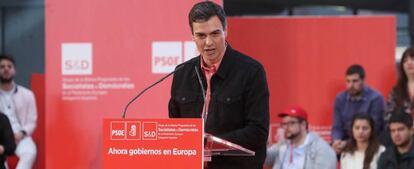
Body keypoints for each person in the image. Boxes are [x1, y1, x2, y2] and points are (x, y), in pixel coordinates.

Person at [168, 1, 269, 169]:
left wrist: (210, 142)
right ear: (192, 36)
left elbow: (258, 132)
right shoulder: (182, 73)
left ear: (226, 31)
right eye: (201, 35)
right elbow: (175, 127)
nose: (208, 43)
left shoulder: (251, 71)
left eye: (215, 34)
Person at [331, 64, 385, 154]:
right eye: (348, 81)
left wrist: (348, 143)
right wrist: (337, 141)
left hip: (369, 143)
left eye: (355, 81)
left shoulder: (375, 98)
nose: (350, 85)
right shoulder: (340, 98)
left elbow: (374, 129)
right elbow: (337, 127)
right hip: (345, 143)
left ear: (363, 81)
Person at [264, 106, 336, 169]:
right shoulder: (283, 145)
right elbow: (265, 159)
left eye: (291, 123)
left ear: (303, 125)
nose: (286, 127)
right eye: (284, 124)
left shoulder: (322, 149)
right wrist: (262, 142)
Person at [0, 55, 37, 169]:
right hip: (1, 137)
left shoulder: (27, 94)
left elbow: (32, 120)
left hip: (21, 135)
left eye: (9, 66)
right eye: (2, 67)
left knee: (30, 152)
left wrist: (21, 133)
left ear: (14, 70)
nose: (6, 69)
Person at [385, 47, 414, 120]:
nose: (409, 63)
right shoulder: (396, 90)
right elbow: (388, 114)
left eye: (413, 59)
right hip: (402, 129)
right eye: (405, 61)